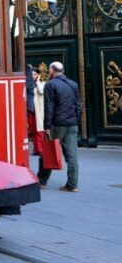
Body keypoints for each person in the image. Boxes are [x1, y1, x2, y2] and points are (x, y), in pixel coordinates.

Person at [37, 61, 80, 192]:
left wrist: (47, 126)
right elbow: (78, 105)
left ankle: (41, 181)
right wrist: (75, 119)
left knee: (48, 152)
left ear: (52, 71)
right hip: (71, 124)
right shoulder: (73, 84)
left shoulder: (51, 85)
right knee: (72, 155)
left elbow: (49, 107)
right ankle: (72, 184)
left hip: (57, 123)